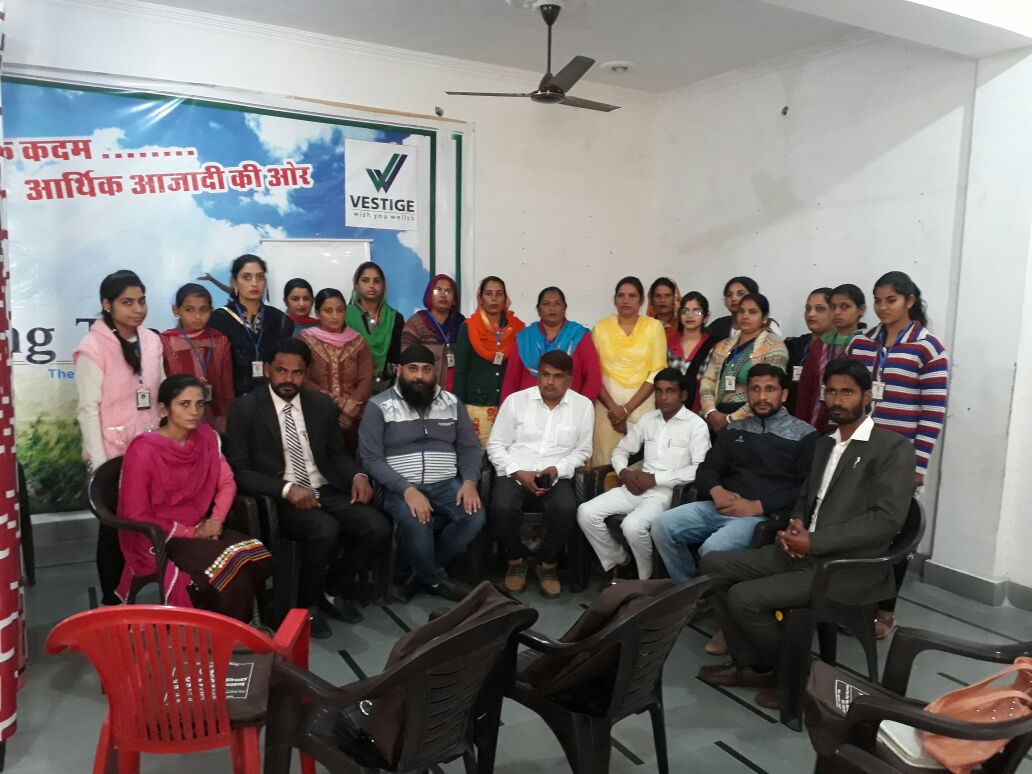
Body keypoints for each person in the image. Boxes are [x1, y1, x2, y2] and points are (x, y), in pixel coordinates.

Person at [697, 358, 914, 710]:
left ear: (867, 396)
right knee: (713, 565)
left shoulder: (892, 448)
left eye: (847, 392)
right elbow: (806, 496)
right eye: (832, 392)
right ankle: (757, 665)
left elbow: (885, 521)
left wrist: (814, 541)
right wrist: (796, 523)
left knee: (744, 597)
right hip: (800, 552)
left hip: (847, 568)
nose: (837, 400)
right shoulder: (825, 443)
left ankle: (795, 679)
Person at [223, 338, 390, 639]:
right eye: (281, 371)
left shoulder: (319, 405)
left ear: (307, 372)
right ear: (268, 370)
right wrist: (287, 489)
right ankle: (307, 604)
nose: (288, 379)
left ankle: (331, 590)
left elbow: (336, 453)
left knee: (376, 526)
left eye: (297, 372)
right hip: (280, 498)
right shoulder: (245, 408)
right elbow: (240, 470)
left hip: (324, 487)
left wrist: (358, 476)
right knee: (324, 529)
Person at [117, 375, 272, 623]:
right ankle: (226, 634)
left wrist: (215, 521)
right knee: (226, 571)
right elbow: (135, 514)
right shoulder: (144, 450)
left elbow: (227, 482)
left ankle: (238, 630)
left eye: (200, 404)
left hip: (201, 524)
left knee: (252, 554)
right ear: (163, 409)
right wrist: (192, 532)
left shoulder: (206, 438)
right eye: (184, 404)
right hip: (160, 535)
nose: (195, 412)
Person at [846, 271, 948, 637]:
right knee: (853, 527)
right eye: (877, 300)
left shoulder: (927, 347)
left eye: (890, 300)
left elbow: (933, 411)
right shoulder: (861, 343)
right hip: (859, 451)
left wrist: (919, 463)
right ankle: (851, 601)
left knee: (893, 533)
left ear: (909, 301)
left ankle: (885, 611)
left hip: (899, 458)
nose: (882, 307)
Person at [359, 345, 486, 602]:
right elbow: (370, 458)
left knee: (474, 516)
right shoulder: (378, 406)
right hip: (399, 487)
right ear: (399, 371)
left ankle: (419, 574)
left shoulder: (452, 403)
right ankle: (436, 580)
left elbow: (469, 447)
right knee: (417, 518)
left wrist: (470, 481)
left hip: (447, 483)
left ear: (435, 372)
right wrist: (407, 489)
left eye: (427, 370)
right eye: (412, 369)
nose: (419, 376)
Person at [73, 270, 164, 605]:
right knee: (114, 530)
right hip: (113, 456)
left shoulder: (152, 341)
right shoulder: (92, 348)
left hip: (151, 450)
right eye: (128, 302)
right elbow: (87, 410)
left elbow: (160, 393)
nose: (138, 309)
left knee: (154, 522)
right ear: (107, 304)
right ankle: (113, 603)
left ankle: (161, 588)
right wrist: (101, 466)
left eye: (142, 301)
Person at [577, 368, 710, 582]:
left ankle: (644, 580)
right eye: (659, 391)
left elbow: (700, 469)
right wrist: (624, 473)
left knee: (632, 526)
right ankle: (621, 561)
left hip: (666, 494)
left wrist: (656, 479)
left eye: (670, 391)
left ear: (683, 395)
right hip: (635, 486)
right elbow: (621, 450)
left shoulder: (696, 425)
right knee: (586, 512)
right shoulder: (649, 419)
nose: (663, 397)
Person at [487, 350, 594, 598]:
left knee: (566, 508)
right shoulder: (516, 401)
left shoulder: (582, 406)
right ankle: (516, 560)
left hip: (555, 476)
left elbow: (583, 451)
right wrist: (517, 472)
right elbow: (496, 445)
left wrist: (557, 469)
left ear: (569, 379)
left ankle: (548, 564)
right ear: (538, 375)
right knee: (501, 506)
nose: (550, 382)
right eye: (545, 375)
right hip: (516, 472)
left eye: (558, 376)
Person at [590, 276, 668, 468]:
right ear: (614, 300)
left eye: (632, 296)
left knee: (637, 466)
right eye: (621, 295)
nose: (626, 300)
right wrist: (614, 409)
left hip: (642, 407)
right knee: (604, 464)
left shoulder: (654, 327)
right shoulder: (601, 328)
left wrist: (626, 409)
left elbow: (657, 372)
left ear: (641, 301)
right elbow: (593, 373)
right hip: (606, 409)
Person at [699, 293, 789, 433]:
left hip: (754, 420)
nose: (745, 316)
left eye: (752, 312)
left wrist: (731, 419)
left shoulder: (774, 347)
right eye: (741, 311)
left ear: (765, 317)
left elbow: (771, 390)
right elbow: (708, 380)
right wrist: (710, 412)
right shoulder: (723, 345)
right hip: (715, 418)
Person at [453, 276, 526, 446]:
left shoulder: (518, 329)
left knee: (506, 455)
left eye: (499, 294)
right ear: (480, 298)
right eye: (488, 294)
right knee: (477, 455)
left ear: (505, 299)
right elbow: (460, 373)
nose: (494, 299)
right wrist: (459, 411)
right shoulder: (469, 327)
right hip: (476, 407)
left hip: (508, 406)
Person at [209, 254, 295, 398]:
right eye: (247, 277)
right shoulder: (218, 320)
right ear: (234, 282)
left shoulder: (281, 320)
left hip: (274, 398)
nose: (254, 283)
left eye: (260, 277)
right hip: (233, 400)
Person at [299, 288, 374, 452]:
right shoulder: (305, 341)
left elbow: (366, 379)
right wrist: (337, 403)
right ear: (317, 313)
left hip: (354, 417)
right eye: (328, 311)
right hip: (317, 415)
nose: (335, 316)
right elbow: (302, 378)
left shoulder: (358, 341)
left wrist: (350, 410)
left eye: (340, 310)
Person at [500, 286, 602, 404]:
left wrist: (581, 407)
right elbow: (511, 380)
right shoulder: (525, 337)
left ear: (565, 308)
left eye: (557, 304)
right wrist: (507, 408)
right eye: (546, 304)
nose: (552, 308)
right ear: (538, 310)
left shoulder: (579, 335)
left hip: (569, 407)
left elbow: (593, 378)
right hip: (528, 408)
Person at [160, 283, 235, 433]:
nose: (197, 316)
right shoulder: (166, 341)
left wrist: (230, 416)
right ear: (176, 310)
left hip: (217, 416)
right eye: (189, 310)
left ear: (211, 310)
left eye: (203, 310)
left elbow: (227, 384)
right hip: (179, 417)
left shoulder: (220, 340)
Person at [795, 284, 867, 429]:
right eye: (833, 307)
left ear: (861, 309)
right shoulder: (820, 345)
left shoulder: (868, 345)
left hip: (854, 425)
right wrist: (800, 427)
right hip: (816, 423)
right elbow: (805, 391)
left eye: (845, 307)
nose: (837, 312)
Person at [346, 261, 405, 395]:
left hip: (387, 390)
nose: (371, 285)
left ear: (383, 286)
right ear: (356, 285)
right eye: (365, 280)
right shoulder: (345, 316)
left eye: (377, 281)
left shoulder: (395, 317)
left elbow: (397, 358)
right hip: (352, 391)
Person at [400, 273, 465, 391]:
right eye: (437, 290)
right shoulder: (416, 323)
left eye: (448, 291)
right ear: (429, 295)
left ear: (454, 299)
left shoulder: (462, 324)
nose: (443, 295)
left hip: (454, 393)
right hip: (422, 390)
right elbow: (407, 361)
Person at [784, 287, 833, 417]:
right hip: (790, 419)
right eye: (808, 308)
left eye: (819, 309)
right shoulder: (793, 345)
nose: (811, 314)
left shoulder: (840, 350)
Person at [667, 291, 716, 412]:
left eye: (697, 311)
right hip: (670, 411)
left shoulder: (714, 346)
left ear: (706, 318)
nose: (690, 315)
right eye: (685, 311)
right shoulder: (668, 345)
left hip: (701, 413)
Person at [706, 276, 758, 342]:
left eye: (741, 294)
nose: (734, 298)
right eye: (729, 295)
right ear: (725, 301)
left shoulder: (765, 326)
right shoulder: (718, 325)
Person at [647, 277, 681, 349]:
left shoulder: (684, 328)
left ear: (675, 298)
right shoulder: (644, 328)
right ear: (651, 300)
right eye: (658, 296)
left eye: (667, 295)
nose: (662, 300)